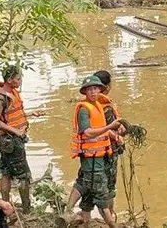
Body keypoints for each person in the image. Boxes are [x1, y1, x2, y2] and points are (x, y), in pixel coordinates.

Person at [65, 75, 122, 228]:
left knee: (86, 186)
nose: (93, 92)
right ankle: (111, 224)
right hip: (90, 157)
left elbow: (101, 130)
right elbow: (88, 132)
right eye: (89, 89)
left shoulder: (98, 105)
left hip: (99, 155)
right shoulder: (84, 109)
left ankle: (69, 213)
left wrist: (114, 133)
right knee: (101, 191)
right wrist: (110, 127)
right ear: (85, 92)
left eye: (95, 88)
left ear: (100, 90)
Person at [0, 64, 43, 213]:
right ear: (9, 79)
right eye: (18, 78)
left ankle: (4, 206)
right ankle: (27, 210)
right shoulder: (0, 98)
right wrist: (16, 131)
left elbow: (11, 115)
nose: (20, 81)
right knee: (24, 175)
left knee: (6, 173)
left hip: (7, 141)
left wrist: (32, 113)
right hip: (12, 141)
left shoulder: (11, 93)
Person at [93, 70, 126, 220]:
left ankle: (104, 217)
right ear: (106, 86)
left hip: (93, 152)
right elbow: (106, 129)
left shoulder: (90, 105)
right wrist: (118, 137)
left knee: (96, 185)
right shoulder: (104, 107)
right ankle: (109, 219)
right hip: (108, 151)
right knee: (109, 187)